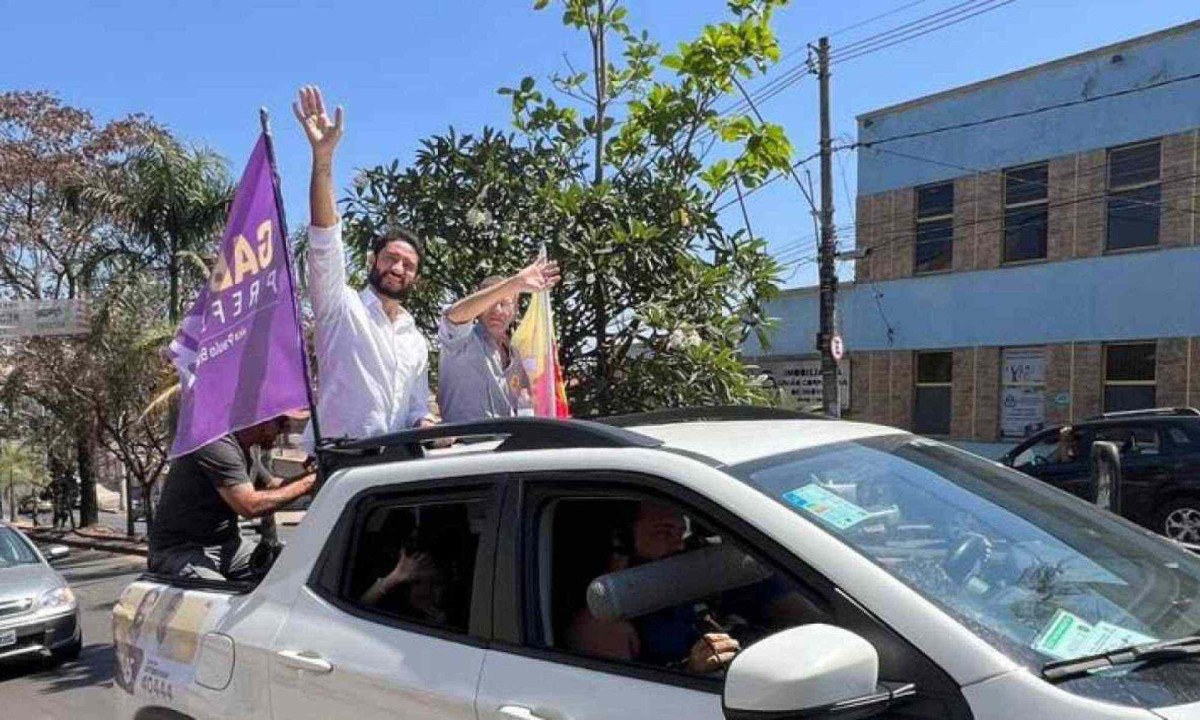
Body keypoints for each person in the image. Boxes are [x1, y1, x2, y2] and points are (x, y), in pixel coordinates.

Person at [293, 85, 436, 447]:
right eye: (391, 258)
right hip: (340, 461)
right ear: (373, 261)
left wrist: (426, 422)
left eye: (408, 265)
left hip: (392, 471)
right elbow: (324, 240)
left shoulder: (415, 340)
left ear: (415, 278)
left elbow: (416, 407)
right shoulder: (340, 308)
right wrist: (322, 157)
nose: (398, 268)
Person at [567, 501, 741, 674]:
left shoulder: (674, 587)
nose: (679, 545)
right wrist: (692, 670)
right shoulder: (604, 618)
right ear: (622, 538)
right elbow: (622, 696)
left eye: (680, 534)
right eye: (664, 532)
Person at [148, 413, 316, 581]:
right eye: (280, 423)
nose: (285, 431)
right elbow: (249, 506)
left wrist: (315, 473)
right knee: (217, 600)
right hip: (181, 551)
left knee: (295, 572)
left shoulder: (249, 450)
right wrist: (308, 483)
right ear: (260, 418)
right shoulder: (215, 443)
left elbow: (272, 487)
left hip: (229, 547)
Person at [438, 262, 560, 423]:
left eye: (505, 303)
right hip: (464, 444)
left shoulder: (516, 355)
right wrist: (514, 283)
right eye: (490, 303)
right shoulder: (462, 340)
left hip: (504, 443)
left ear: (515, 309)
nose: (497, 311)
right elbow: (453, 317)